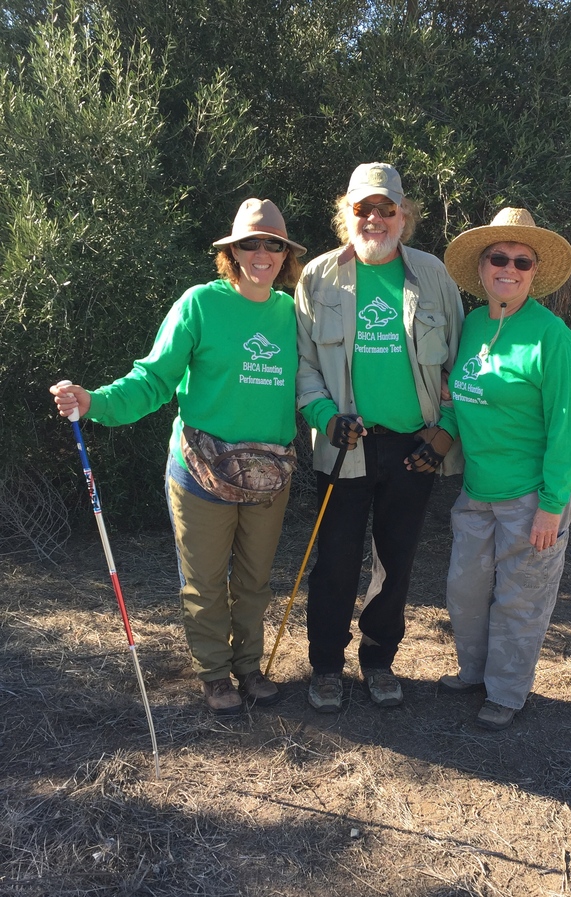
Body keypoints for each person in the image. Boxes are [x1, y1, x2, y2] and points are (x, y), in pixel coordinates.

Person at [50, 199, 306, 716]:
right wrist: (93, 401)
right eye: (249, 243)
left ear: (285, 254)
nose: (262, 252)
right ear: (231, 252)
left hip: (268, 476)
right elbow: (153, 379)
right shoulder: (199, 305)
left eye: (272, 244)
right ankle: (215, 675)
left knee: (255, 579)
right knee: (206, 581)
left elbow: (319, 381)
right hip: (200, 472)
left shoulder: (294, 313)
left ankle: (249, 666)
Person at [295, 162, 464, 712]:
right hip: (345, 441)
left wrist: (442, 438)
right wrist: (324, 414)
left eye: (385, 209)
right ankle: (325, 667)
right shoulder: (317, 277)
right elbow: (303, 364)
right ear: (347, 214)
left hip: (413, 447)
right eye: (363, 208)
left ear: (403, 216)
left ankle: (379, 661)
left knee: (396, 561)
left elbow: (464, 367)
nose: (374, 219)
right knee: (337, 560)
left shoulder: (433, 275)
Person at [439, 207, 571, 731]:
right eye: (498, 257)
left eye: (522, 261)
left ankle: (506, 691)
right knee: (466, 588)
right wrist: (440, 433)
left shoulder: (553, 339)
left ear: (533, 272)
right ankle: (474, 672)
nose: (509, 267)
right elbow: (461, 393)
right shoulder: (475, 323)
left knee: (520, 598)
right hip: (478, 487)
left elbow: (567, 432)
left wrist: (550, 507)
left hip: (532, 493)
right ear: (481, 267)